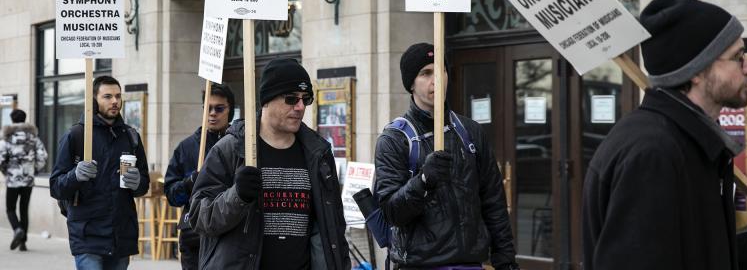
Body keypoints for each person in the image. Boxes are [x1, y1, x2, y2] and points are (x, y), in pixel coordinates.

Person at [582, 0, 747, 270]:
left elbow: (702, 253)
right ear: (697, 71)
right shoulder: (652, 154)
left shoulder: (688, 141)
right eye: (738, 56)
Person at [189, 58, 350, 270]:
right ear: (266, 100)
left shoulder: (318, 153)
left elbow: (333, 227)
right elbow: (199, 216)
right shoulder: (232, 149)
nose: (300, 107)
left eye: (306, 99)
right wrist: (237, 196)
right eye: (291, 99)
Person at [374, 42, 519, 270]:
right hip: (421, 265)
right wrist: (422, 183)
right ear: (411, 83)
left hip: (470, 263)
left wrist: (505, 260)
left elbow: (493, 202)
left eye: (441, 70)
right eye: (426, 73)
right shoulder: (394, 139)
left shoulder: (470, 132)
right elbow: (391, 213)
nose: (436, 79)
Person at [50, 75, 150, 270]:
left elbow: (143, 186)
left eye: (118, 96)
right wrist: (75, 176)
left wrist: (138, 182)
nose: (114, 101)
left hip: (121, 234)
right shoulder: (76, 135)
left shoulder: (130, 136)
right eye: (107, 96)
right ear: (94, 100)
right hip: (87, 235)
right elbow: (56, 187)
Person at [164, 83, 236, 270]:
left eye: (219, 108)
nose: (212, 113)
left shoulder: (239, 146)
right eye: (208, 108)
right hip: (193, 235)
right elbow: (172, 195)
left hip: (229, 235)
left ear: (230, 111)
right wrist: (189, 183)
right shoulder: (186, 148)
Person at [0, 109, 47, 251]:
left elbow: (1, 158)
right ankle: (23, 243)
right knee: (24, 209)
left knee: (10, 208)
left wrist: (6, 172)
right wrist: (35, 169)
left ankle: (17, 229)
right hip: (28, 179)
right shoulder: (33, 138)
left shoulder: (7, 138)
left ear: (12, 120)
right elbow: (43, 155)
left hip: (13, 179)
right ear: (25, 119)